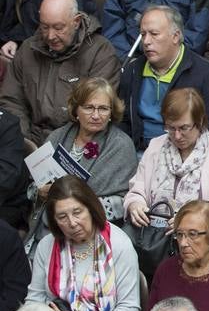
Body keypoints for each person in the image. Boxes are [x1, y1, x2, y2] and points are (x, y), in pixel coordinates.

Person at [26, 175, 140, 311]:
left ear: (91, 208)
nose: (72, 223)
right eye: (62, 217)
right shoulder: (47, 245)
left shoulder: (119, 244)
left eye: (77, 212)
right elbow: (34, 299)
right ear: (53, 220)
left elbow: (130, 310)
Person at [20, 77, 135, 251]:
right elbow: (34, 184)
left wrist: (78, 207)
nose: (96, 115)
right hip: (49, 228)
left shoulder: (121, 145)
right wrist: (41, 191)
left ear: (112, 112)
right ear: (76, 110)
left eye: (103, 108)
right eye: (89, 107)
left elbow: (122, 202)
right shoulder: (57, 136)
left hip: (93, 234)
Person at [125, 85, 209, 252]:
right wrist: (135, 204)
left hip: (202, 246)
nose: (177, 136)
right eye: (171, 128)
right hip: (153, 242)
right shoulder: (156, 146)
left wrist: (189, 222)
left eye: (184, 128)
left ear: (200, 122)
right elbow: (138, 188)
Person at [0, 0, 120, 147]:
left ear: (76, 22)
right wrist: (23, 142)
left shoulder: (101, 53)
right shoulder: (28, 49)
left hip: (74, 143)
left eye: (58, 28)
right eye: (44, 27)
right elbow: (12, 101)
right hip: (29, 138)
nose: (50, 36)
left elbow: (96, 115)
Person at [116, 5, 209, 150]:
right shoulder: (132, 70)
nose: (146, 41)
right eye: (143, 34)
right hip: (137, 151)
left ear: (175, 36)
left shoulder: (205, 74)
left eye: (154, 34)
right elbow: (122, 120)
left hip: (185, 153)